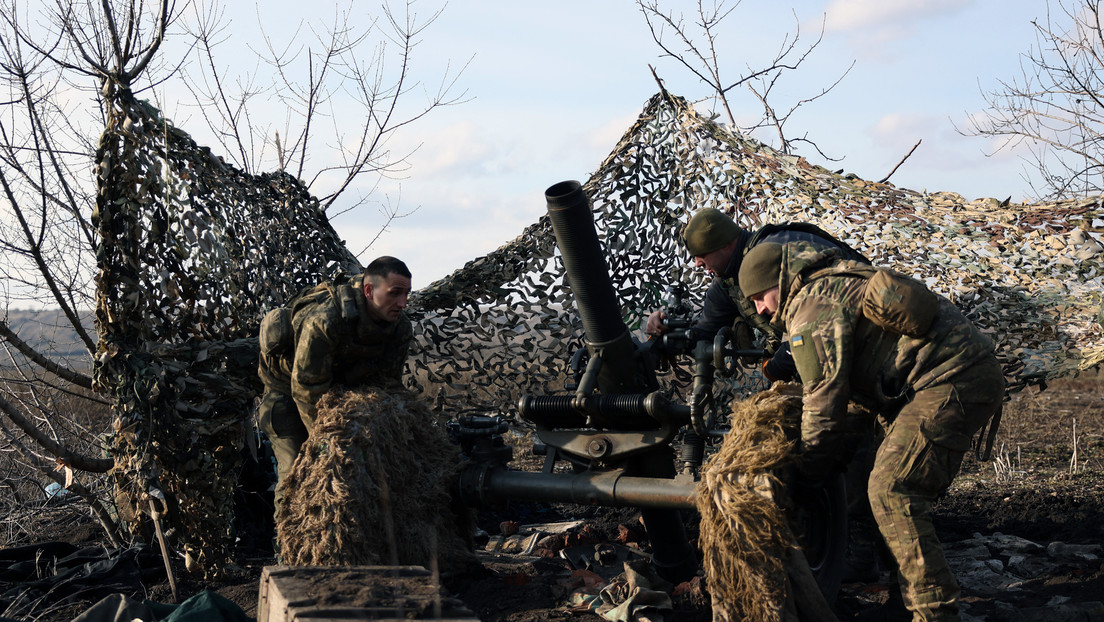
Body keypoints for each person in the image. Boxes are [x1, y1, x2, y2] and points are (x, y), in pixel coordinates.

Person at [738, 241, 1005, 622]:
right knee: (882, 478)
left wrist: (807, 476)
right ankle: (904, 602)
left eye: (760, 297)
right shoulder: (828, 281)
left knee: (892, 488)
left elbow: (824, 403)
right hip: (936, 380)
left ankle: (935, 613)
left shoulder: (812, 308)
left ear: (779, 281)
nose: (759, 309)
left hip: (955, 377)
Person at [257, 256, 414, 513]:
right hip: (287, 392)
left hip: (338, 391)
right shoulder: (325, 320)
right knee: (299, 472)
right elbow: (307, 389)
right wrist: (328, 442)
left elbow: (388, 385)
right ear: (369, 290)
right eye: (395, 293)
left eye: (406, 294)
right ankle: (289, 549)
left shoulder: (400, 327)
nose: (403, 303)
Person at [645, 207, 866, 381]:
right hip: (827, 360)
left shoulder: (781, 249)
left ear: (724, 245)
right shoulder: (726, 283)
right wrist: (664, 329)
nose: (697, 263)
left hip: (866, 337)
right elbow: (703, 335)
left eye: (701, 254)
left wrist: (787, 356)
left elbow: (831, 304)